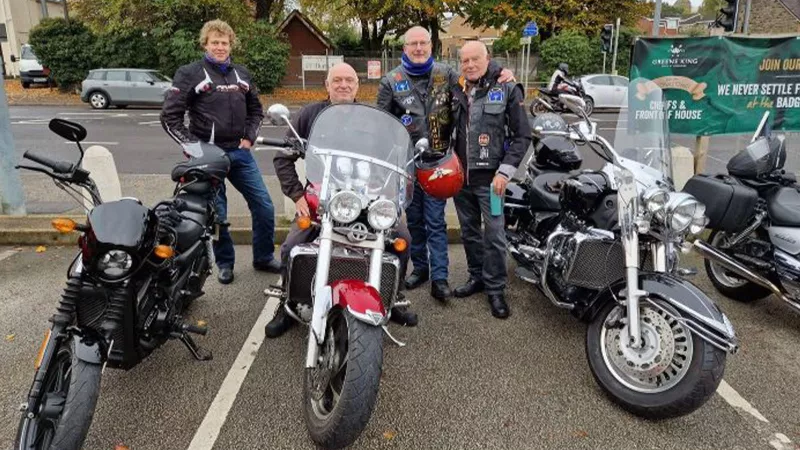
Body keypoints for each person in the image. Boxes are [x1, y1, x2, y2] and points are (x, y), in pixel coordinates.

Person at [265, 63, 418, 338]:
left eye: (349, 80)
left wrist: (393, 199)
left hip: (367, 196)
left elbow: (394, 160)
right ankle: (288, 301)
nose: (343, 85)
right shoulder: (309, 115)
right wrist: (298, 195)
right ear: (327, 85)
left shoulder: (373, 119)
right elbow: (283, 158)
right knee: (292, 246)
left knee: (401, 240)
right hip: (322, 197)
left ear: (357, 86)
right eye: (337, 80)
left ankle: (393, 298)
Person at [377, 26, 515, 303]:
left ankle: (440, 279)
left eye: (423, 43)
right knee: (414, 221)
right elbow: (381, 123)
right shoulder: (390, 81)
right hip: (407, 166)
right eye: (413, 44)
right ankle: (422, 269)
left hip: (440, 162)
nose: (418, 48)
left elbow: (478, 75)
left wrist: (501, 70)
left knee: (436, 222)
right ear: (404, 49)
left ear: (431, 46)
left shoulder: (448, 75)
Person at [161, 19, 281, 284]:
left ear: (231, 45)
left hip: (240, 152)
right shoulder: (189, 73)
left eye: (224, 43)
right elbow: (170, 117)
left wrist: (249, 138)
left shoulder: (242, 74)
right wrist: (195, 149)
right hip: (208, 157)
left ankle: (263, 257)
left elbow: (256, 111)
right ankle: (224, 263)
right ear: (205, 44)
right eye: (214, 42)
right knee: (219, 215)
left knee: (264, 206)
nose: (219, 47)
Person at [451, 41, 532, 319]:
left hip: (493, 183)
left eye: (476, 59)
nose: (470, 65)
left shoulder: (507, 88)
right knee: (469, 233)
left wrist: (505, 172)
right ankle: (477, 278)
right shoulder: (457, 88)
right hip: (461, 180)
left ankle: (496, 289)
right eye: (465, 61)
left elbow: (522, 137)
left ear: (488, 59)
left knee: (495, 235)